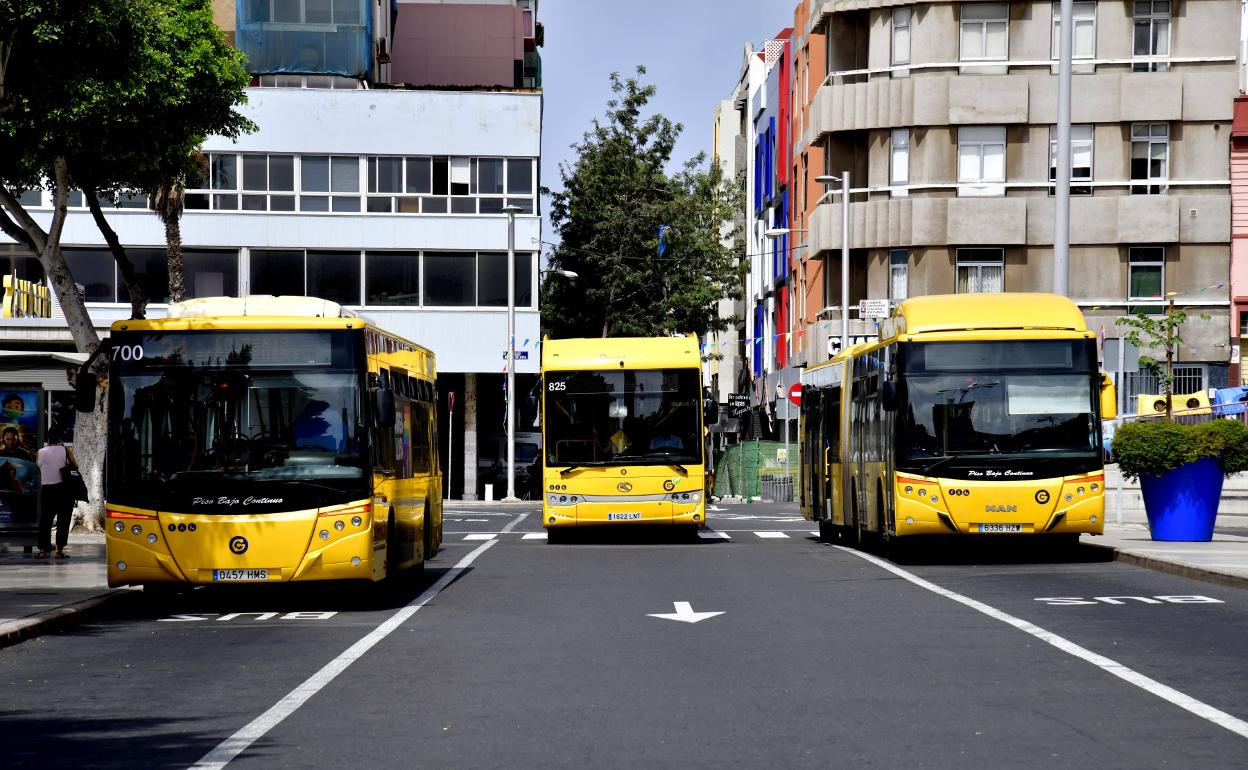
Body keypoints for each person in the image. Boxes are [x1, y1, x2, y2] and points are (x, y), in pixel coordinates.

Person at [35, 431, 77, 560]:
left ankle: (42, 550)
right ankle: (59, 551)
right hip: (63, 489)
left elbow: (39, 468)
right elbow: (75, 466)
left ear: (47, 438)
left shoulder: (40, 452)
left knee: (45, 520)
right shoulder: (65, 450)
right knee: (63, 520)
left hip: (47, 489)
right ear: (59, 439)